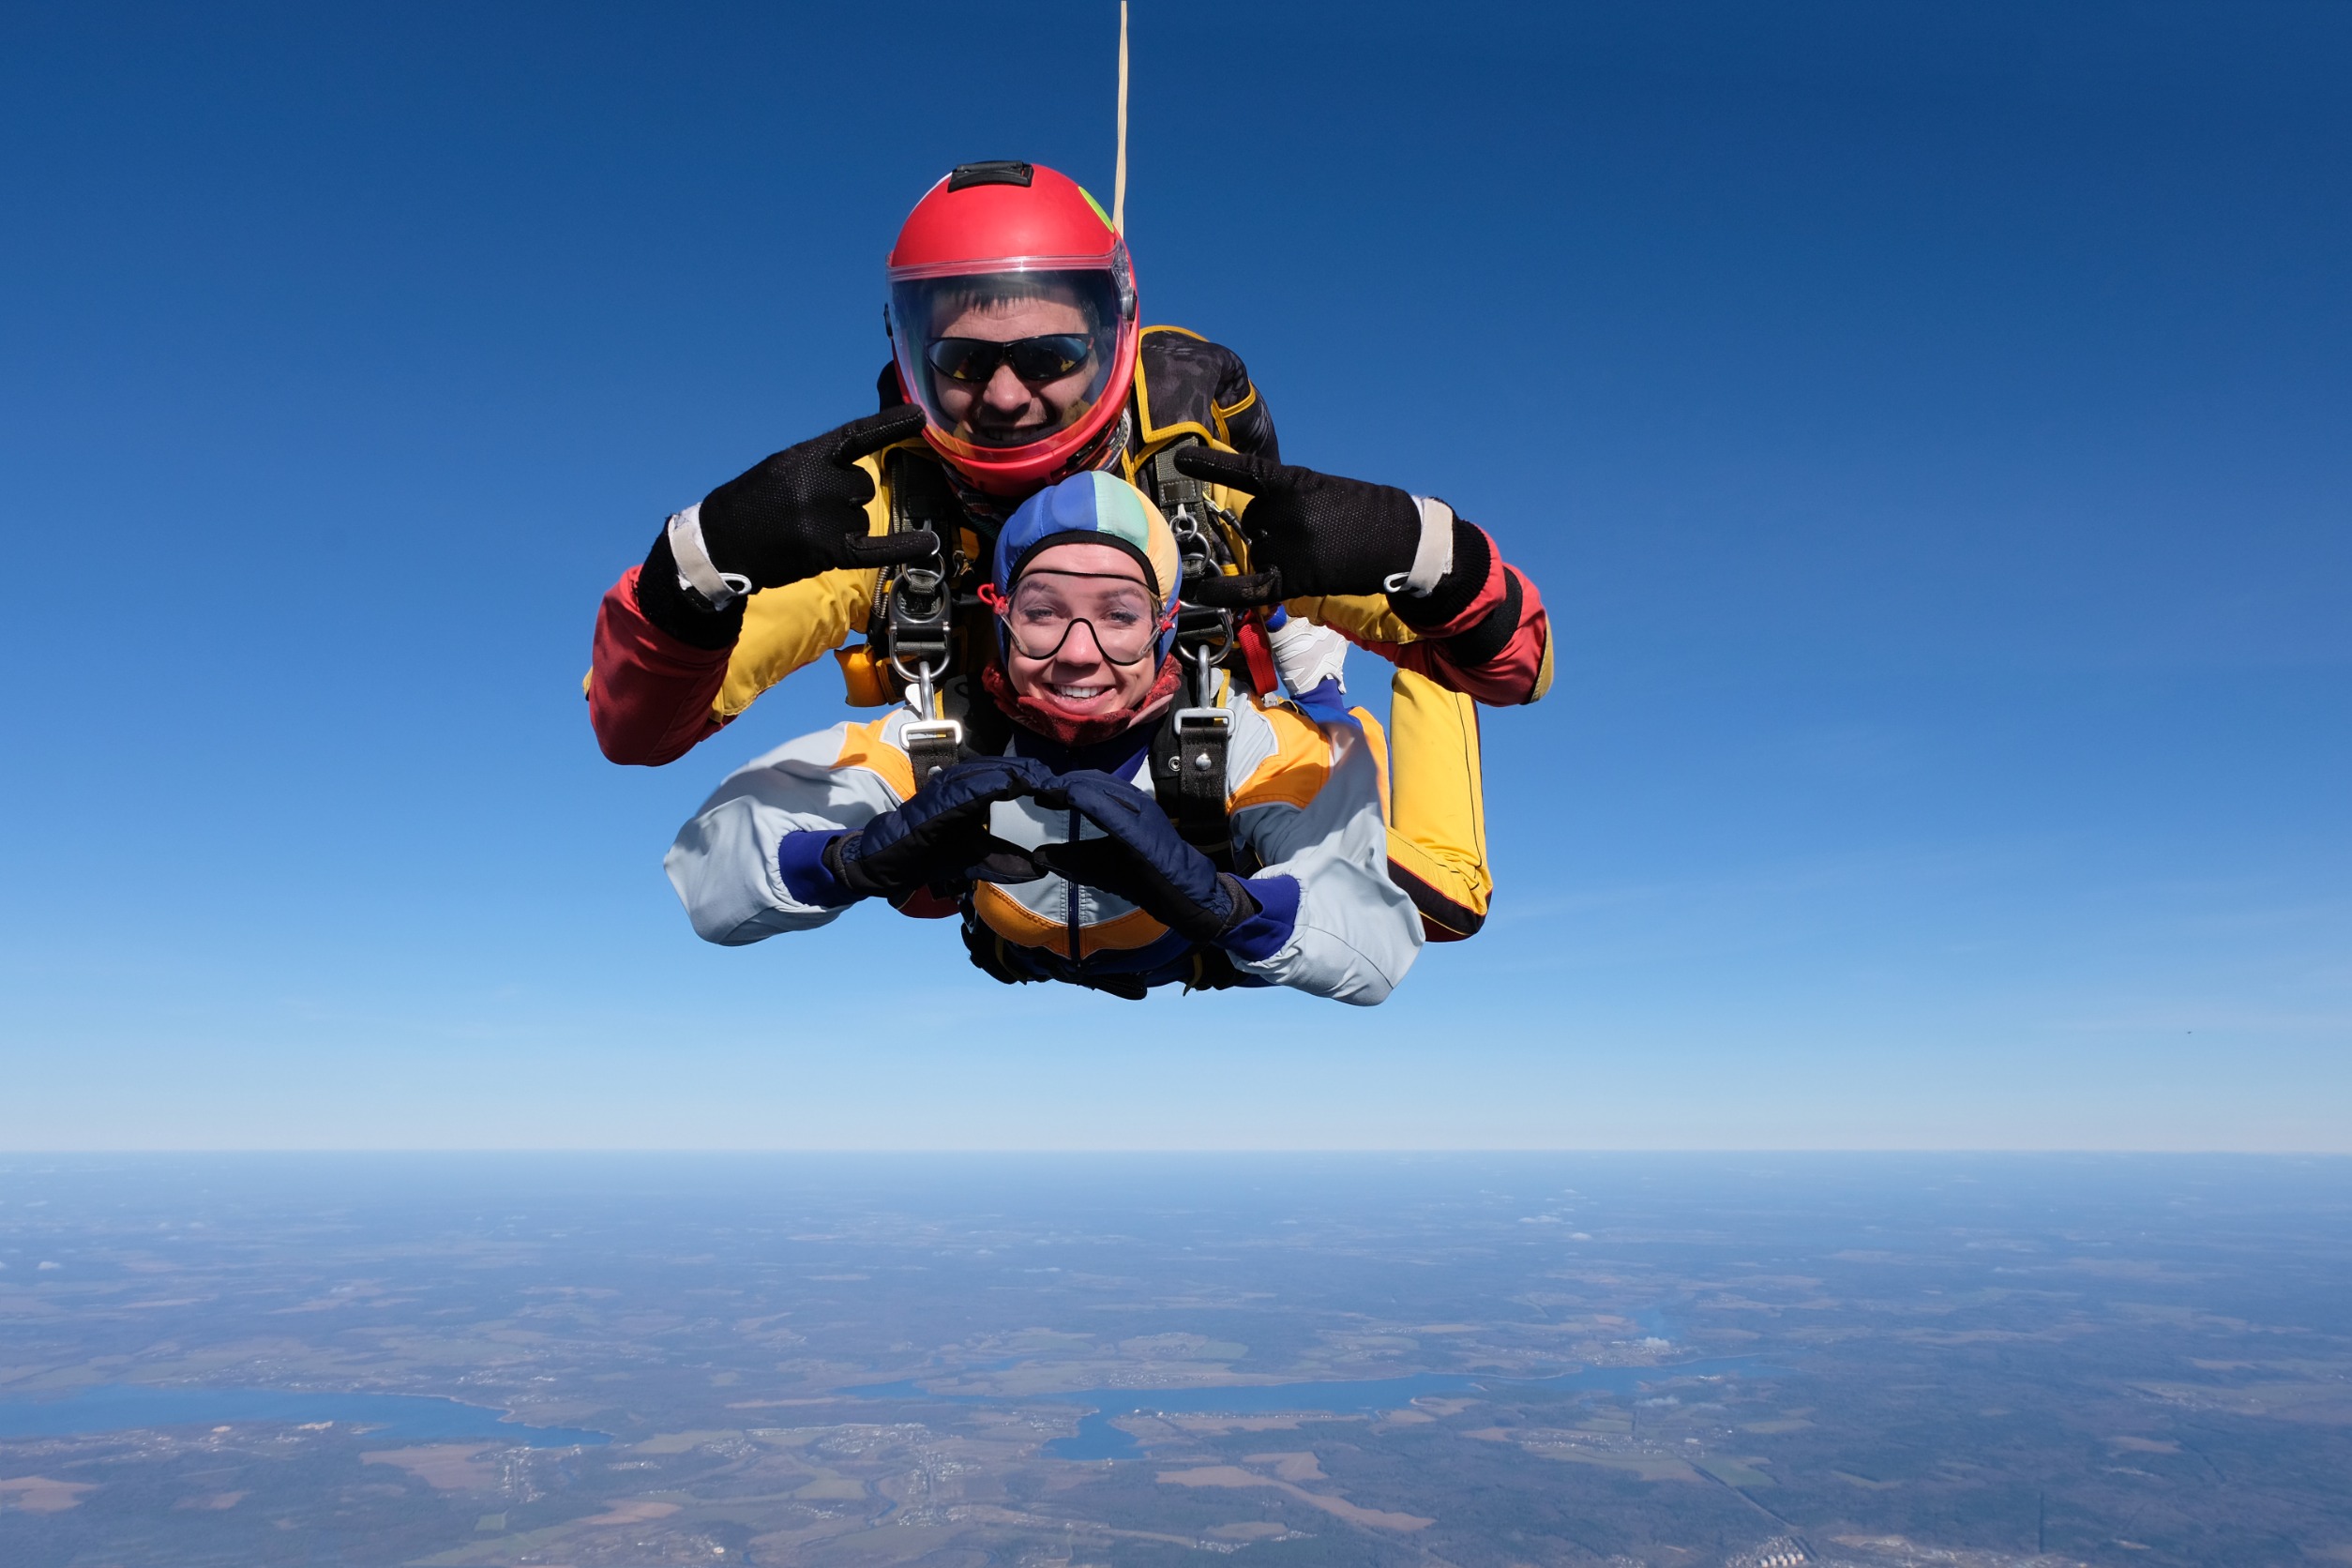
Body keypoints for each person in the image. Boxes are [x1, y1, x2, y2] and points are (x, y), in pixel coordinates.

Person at [590, 159, 1546, 944]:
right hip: (1002, 834)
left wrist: (1429, 558)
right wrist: (698, 564)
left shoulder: (1209, 493)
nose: (1005, 397)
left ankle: (1310, 682)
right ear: (914, 358)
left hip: (1208, 790)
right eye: (966, 362)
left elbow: (1514, 670)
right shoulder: (881, 521)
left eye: (1047, 357)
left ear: (1113, 339)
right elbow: (639, 733)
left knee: (1434, 894)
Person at [664, 472, 1418, 1004]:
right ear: (999, 618)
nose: (1079, 651)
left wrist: (1232, 912)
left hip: (1183, 954)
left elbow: (1377, 944)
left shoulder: (1232, 741)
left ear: (1164, 631)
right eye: (1043, 611)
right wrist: (842, 862)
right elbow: (709, 875)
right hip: (1015, 947)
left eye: (1119, 615)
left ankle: (1331, 681)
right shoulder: (944, 738)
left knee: (1424, 863)